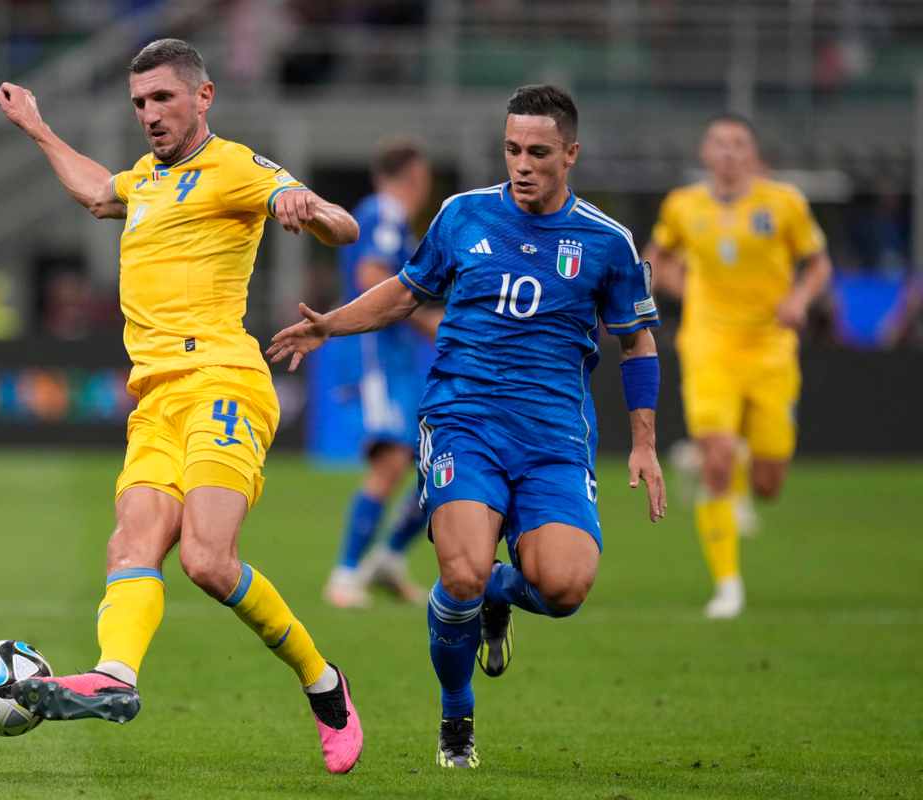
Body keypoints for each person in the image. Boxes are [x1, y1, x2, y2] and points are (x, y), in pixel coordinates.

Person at [0, 38, 364, 773]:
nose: (150, 115)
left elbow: (343, 226)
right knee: (129, 545)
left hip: (223, 383)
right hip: (155, 397)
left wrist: (305, 205)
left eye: (163, 98)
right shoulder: (144, 181)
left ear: (203, 97)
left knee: (204, 559)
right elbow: (100, 191)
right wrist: (37, 126)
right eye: (139, 103)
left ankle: (324, 684)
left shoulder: (234, 166)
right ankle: (115, 678)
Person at [269, 85, 666, 769]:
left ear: (571, 154)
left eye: (538, 152)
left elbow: (638, 342)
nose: (522, 163)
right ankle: (457, 715)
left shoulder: (607, 243)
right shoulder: (462, 216)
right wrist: (332, 324)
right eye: (512, 149)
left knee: (565, 588)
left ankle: (500, 600)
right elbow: (405, 290)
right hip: (463, 420)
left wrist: (646, 443)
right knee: (461, 573)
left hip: (554, 440)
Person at [644, 113, 832, 619]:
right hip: (708, 346)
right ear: (706, 155)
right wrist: (686, 291)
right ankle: (727, 585)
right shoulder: (683, 206)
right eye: (719, 144)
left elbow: (818, 264)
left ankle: (740, 466)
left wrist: (799, 300)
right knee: (719, 459)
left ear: (752, 155)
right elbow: (655, 258)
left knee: (770, 484)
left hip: (771, 349)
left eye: (737, 144)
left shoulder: (784, 203)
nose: (727, 153)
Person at [324, 136, 439, 609]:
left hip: (395, 359)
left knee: (429, 467)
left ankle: (388, 559)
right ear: (416, 176)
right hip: (376, 355)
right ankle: (345, 575)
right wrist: (423, 318)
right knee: (392, 461)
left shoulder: (389, 218)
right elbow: (371, 277)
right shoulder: (385, 212)